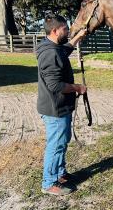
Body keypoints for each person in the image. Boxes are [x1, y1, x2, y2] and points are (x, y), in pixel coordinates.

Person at [36, 14, 88, 195]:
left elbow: (64, 50)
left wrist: (77, 38)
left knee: (62, 141)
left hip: (59, 107)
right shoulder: (50, 53)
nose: (68, 31)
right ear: (55, 31)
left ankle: (59, 173)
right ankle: (49, 183)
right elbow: (55, 85)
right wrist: (77, 87)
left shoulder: (52, 46)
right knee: (56, 144)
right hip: (55, 108)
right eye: (65, 29)